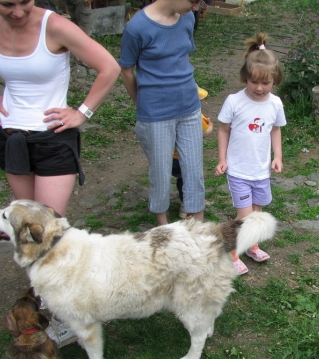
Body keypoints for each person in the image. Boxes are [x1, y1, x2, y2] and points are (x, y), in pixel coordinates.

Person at [0, 0, 120, 237]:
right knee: (24, 227)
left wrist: (82, 112)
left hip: (53, 139)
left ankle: (57, 274)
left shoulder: (55, 26)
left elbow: (109, 67)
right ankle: (35, 275)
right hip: (10, 138)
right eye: (8, 4)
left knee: (46, 229)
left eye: (25, 2)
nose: (18, 12)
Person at [119, 0, 205, 226]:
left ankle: (198, 227)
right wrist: (141, 103)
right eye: (193, 1)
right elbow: (126, 69)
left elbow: (182, 58)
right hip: (155, 113)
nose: (196, 7)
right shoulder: (137, 28)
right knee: (160, 172)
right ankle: (163, 227)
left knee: (194, 170)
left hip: (189, 107)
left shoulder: (187, 17)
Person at [214, 33, 286, 275]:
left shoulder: (275, 104)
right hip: (238, 171)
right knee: (244, 216)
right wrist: (223, 159)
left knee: (256, 213)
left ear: (275, 81)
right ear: (246, 77)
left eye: (265, 83)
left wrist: (277, 157)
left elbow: (275, 130)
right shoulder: (234, 101)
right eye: (254, 81)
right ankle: (232, 252)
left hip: (260, 171)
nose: (259, 88)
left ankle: (251, 244)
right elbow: (223, 130)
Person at [173, 87, 214, 219]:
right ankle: (186, 206)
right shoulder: (197, 117)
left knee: (180, 178)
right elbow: (205, 132)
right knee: (187, 179)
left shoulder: (170, 115)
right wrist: (211, 125)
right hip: (184, 156)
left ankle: (179, 198)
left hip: (170, 156)